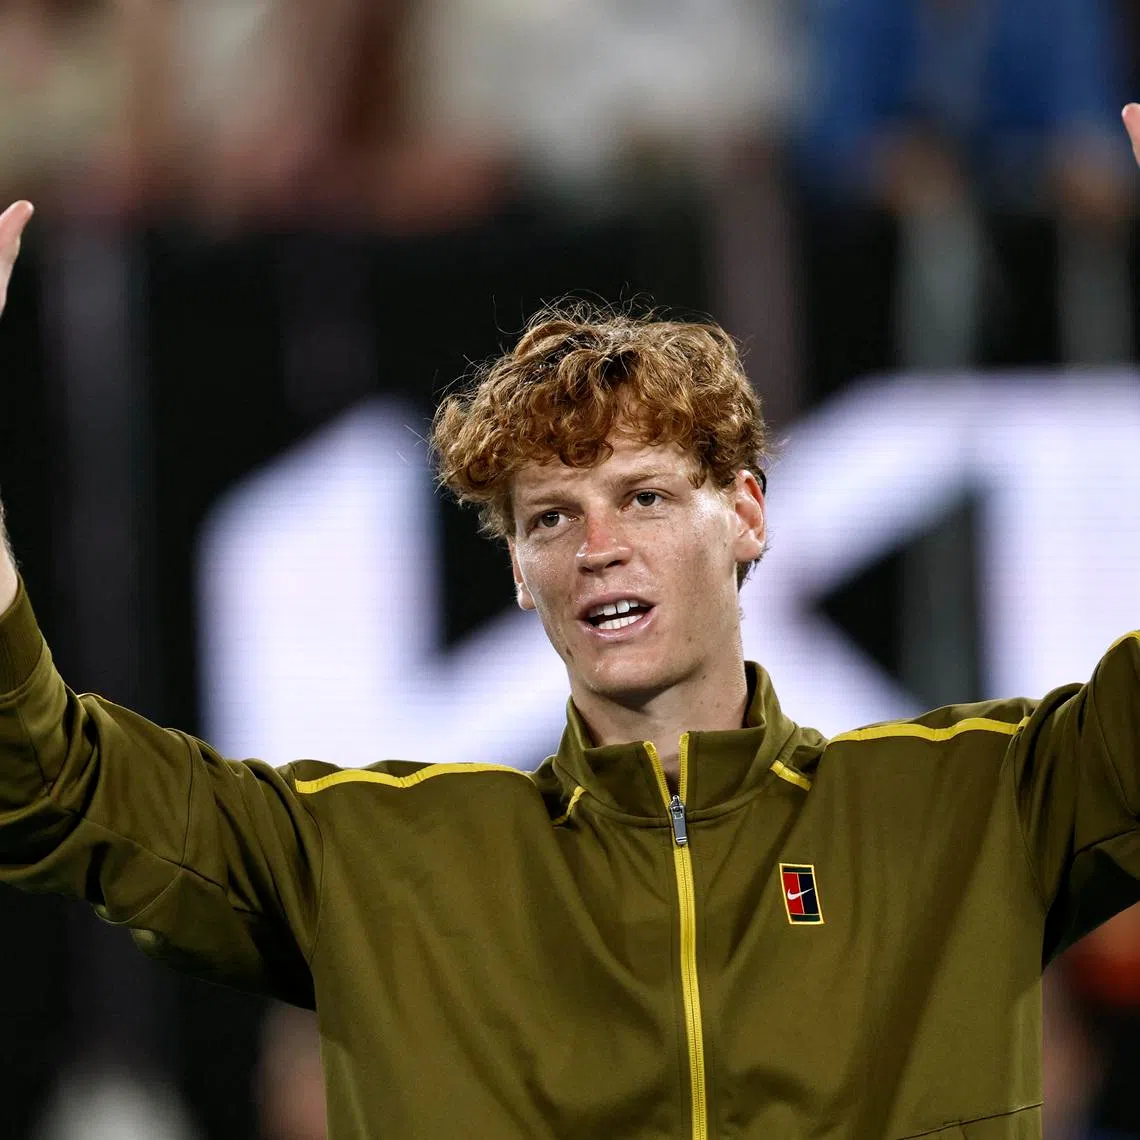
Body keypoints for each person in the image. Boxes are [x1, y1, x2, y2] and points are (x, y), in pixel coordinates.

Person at [1, 108, 1140, 1140]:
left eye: (643, 496)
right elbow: (54, 787)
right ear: (519, 573)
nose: (597, 545)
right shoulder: (378, 862)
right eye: (550, 517)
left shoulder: (972, 803)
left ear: (744, 513)